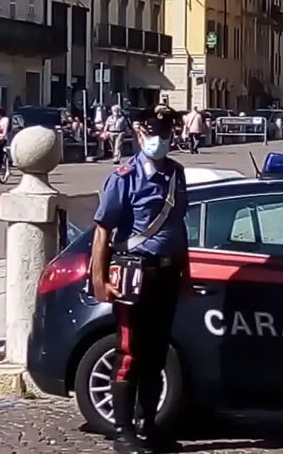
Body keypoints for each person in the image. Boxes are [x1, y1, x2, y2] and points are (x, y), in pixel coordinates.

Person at [90, 104, 190, 454]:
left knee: (157, 353)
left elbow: (178, 229)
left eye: (166, 134)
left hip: (166, 272)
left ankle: (149, 425)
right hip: (134, 273)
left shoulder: (176, 174)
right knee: (130, 352)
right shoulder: (124, 175)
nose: (160, 141)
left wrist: (186, 275)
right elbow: (103, 230)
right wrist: (99, 279)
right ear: (139, 133)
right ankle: (123, 430)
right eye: (154, 133)